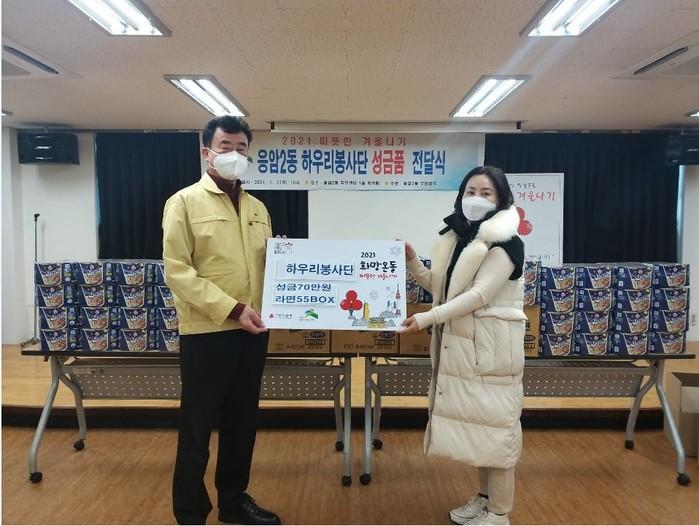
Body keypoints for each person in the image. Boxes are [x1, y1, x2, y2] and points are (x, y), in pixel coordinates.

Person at [162, 116, 281, 525]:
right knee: (197, 426)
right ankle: (190, 511)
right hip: (207, 331)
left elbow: (260, 267)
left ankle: (233, 501)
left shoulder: (257, 208)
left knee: (242, 423)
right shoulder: (184, 203)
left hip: (252, 331)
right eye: (225, 146)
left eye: (241, 148)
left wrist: (282, 258)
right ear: (206, 152)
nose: (234, 154)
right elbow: (178, 271)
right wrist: (233, 308)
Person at [399, 166, 525, 526]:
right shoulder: (460, 238)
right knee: (480, 430)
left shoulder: (507, 243)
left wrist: (427, 318)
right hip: (467, 349)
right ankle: (485, 499)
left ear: (501, 199)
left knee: (497, 432)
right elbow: (441, 287)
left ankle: (499, 513)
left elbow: (479, 295)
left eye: (486, 193)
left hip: (492, 352)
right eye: (471, 191)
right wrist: (412, 261)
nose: (476, 198)